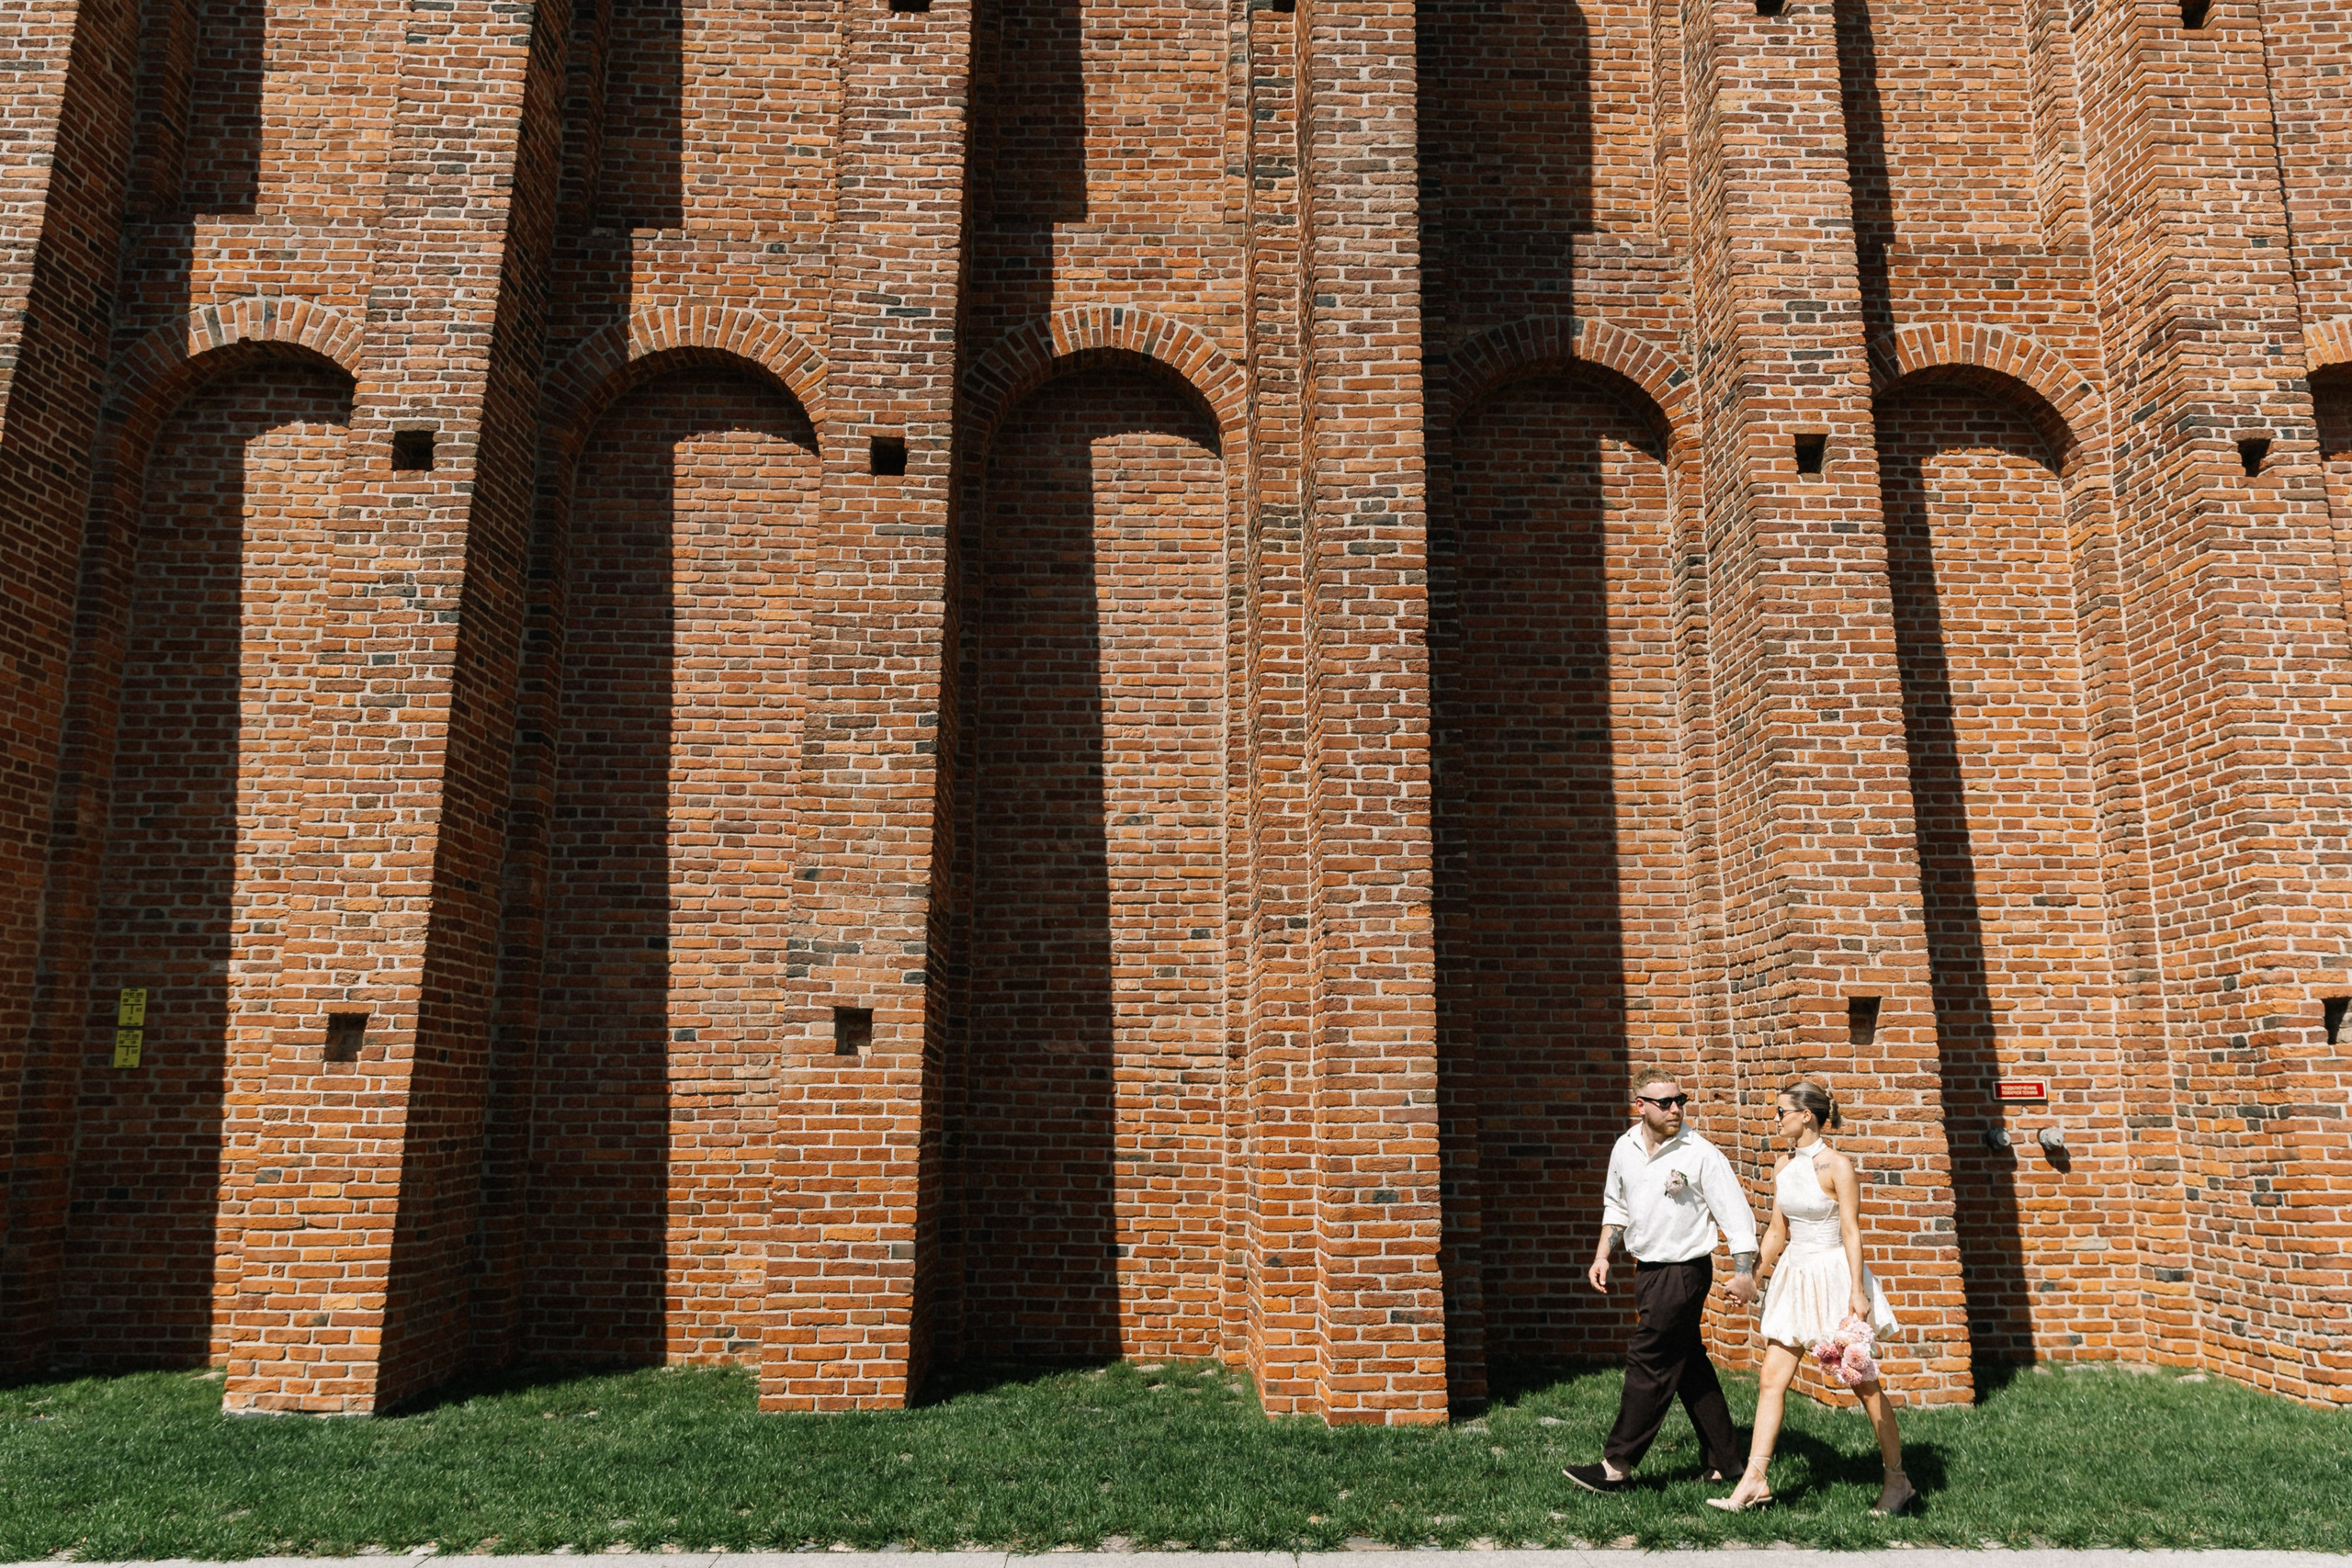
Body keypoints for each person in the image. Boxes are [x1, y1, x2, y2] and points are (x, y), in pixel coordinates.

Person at [1708, 1077, 1915, 1516]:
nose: (1776, 1119)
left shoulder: (1837, 1165)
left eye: (1782, 1112)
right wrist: (1751, 1276)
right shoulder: (1782, 1168)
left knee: (1864, 1385)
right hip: (1794, 1275)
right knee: (1771, 1380)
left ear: (1806, 1115)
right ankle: (1755, 1480)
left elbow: (1851, 1230)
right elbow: (1778, 1231)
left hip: (1834, 1276)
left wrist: (1858, 1293)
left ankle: (1898, 1481)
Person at [1564, 1070, 1759, 1494]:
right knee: (1688, 1366)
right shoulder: (1625, 1147)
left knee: (1647, 1360)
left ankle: (1617, 1464)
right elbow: (1616, 1205)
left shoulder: (1701, 1153)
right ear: (1641, 1106)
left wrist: (1743, 1272)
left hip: (1684, 1271)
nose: (1676, 1109)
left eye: (1680, 1100)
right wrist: (1602, 1254)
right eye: (1665, 1102)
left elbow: (1738, 1219)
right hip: (1647, 1270)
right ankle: (1725, 1462)